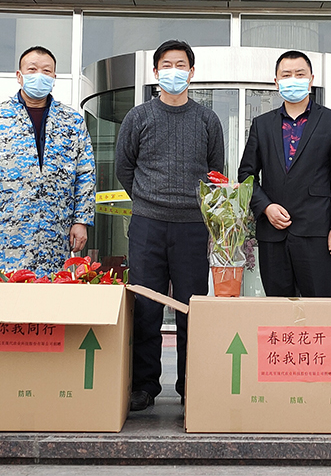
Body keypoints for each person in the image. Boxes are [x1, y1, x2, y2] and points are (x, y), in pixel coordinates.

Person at [115, 39, 225, 411]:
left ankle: (189, 383)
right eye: (166, 65)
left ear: (192, 73)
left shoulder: (207, 119)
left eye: (180, 65)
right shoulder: (138, 117)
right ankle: (144, 385)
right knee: (146, 306)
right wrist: (148, 198)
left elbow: (215, 171)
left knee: (190, 307)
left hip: (192, 226)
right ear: (155, 72)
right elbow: (124, 167)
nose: (173, 72)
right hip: (147, 224)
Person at [0, 46, 95, 277]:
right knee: (1, 294)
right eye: (32, 69)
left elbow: (85, 174)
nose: (39, 75)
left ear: (54, 77)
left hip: (54, 234)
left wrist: (81, 221)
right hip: (1, 235)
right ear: (19, 75)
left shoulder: (72, 121)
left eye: (46, 71)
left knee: (48, 295)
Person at [237, 50, 331, 297]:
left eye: (300, 74)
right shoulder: (262, 124)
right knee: (278, 309)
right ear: (276, 82)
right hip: (272, 234)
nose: (293, 79)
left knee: (319, 307)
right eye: (286, 75)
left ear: (311, 79)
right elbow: (246, 175)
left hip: (316, 233)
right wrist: (265, 207)